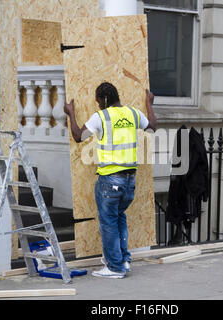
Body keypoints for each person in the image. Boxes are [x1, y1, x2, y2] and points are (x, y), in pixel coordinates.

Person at [64, 82, 157, 279]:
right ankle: (123, 260)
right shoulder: (133, 114)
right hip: (130, 181)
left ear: (104, 99)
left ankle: (114, 268)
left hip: (110, 182)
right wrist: (149, 103)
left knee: (108, 223)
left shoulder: (102, 117)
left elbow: (78, 136)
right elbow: (152, 127)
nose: (97, 104)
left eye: (98, 100)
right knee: (118, 217)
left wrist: (70, 113)